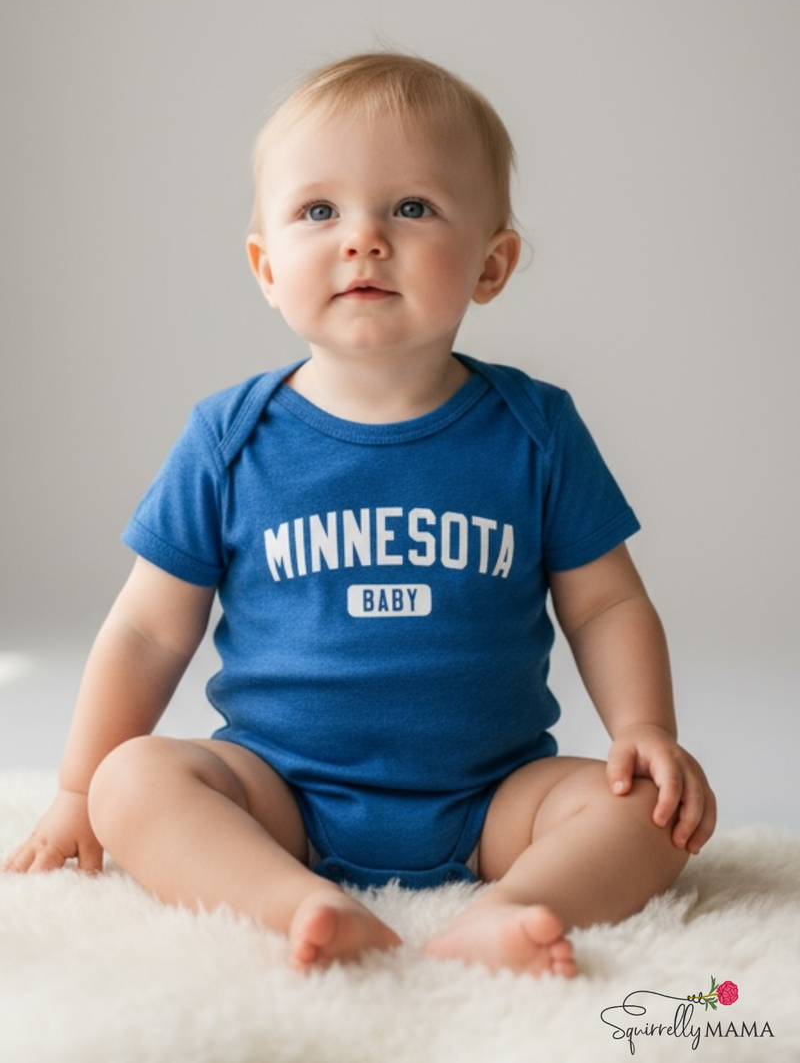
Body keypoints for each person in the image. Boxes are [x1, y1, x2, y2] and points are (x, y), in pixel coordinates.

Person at [3, 53, 716, 978]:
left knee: (653, 814)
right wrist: (75, 788)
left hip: (494, 795)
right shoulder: (231, 437)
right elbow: (145, 631)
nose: (364, 239)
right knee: (132, 781)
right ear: (266, 266)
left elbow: (605, 605)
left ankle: (512, 908)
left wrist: (643, 730)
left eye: (412, 208)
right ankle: (295, 902)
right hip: (279, 792)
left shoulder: (534, 430)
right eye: (318, 211)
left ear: (491, 264)